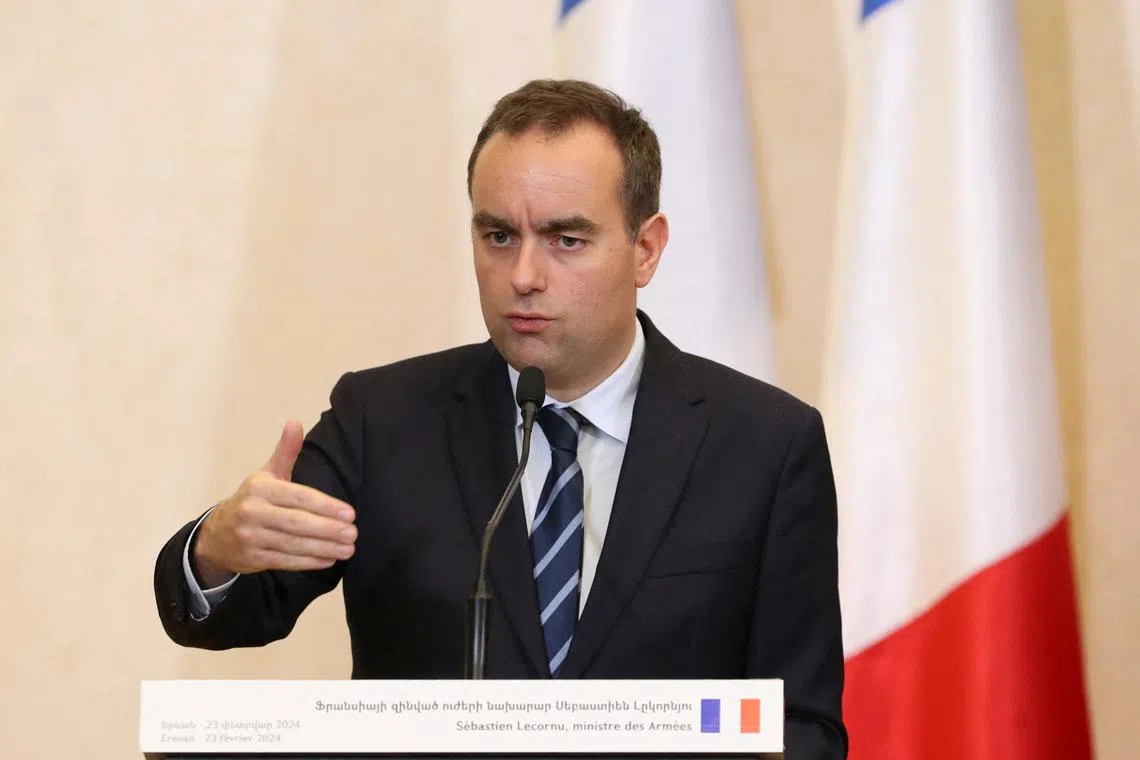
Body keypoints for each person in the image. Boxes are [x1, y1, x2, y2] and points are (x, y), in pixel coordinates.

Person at [154, 79, 847, 758]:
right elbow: (236, 609)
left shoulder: (766, 448)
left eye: (565, 240)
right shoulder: (383, 423)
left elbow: (805, 726)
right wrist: (216, 549)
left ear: (646, 249)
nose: (522, 275)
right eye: (497, 236)